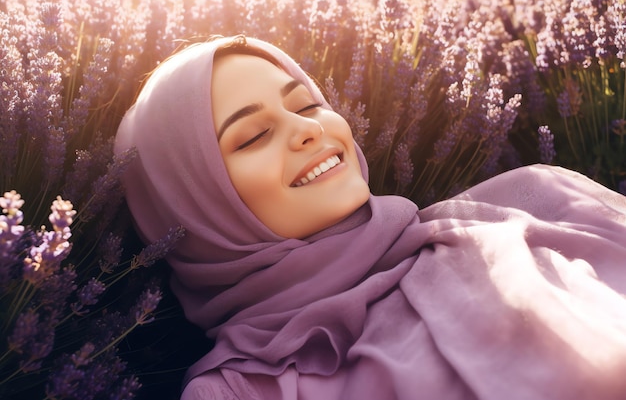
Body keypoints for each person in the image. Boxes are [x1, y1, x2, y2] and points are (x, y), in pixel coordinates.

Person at [114, 35, 626, 400]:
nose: (307, 130)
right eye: (251, 137)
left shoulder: (534, 200)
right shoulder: (239, 391)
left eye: (307, 104)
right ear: (194, 204)